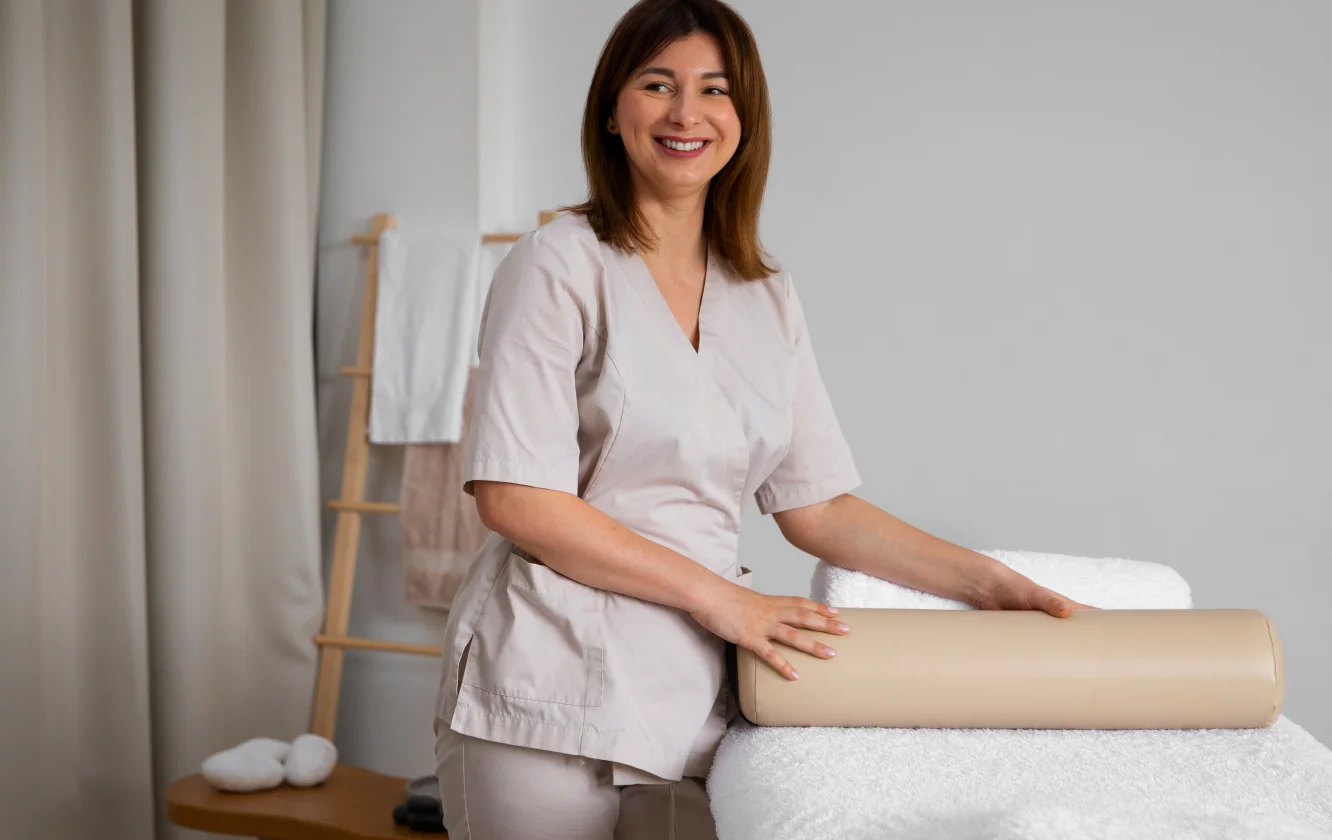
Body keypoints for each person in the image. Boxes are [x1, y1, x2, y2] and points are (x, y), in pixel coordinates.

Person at [431, 1, 1096, 837]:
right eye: (657, 85)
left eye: (714, 90)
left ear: (743, 118)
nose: (686, 113)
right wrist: (725, 602)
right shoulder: (557, 264)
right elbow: (517, 498)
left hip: (693, 690)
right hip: (545, 680)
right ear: (611, 109)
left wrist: (989, 584)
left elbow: (817, 506)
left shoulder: (764, 293)